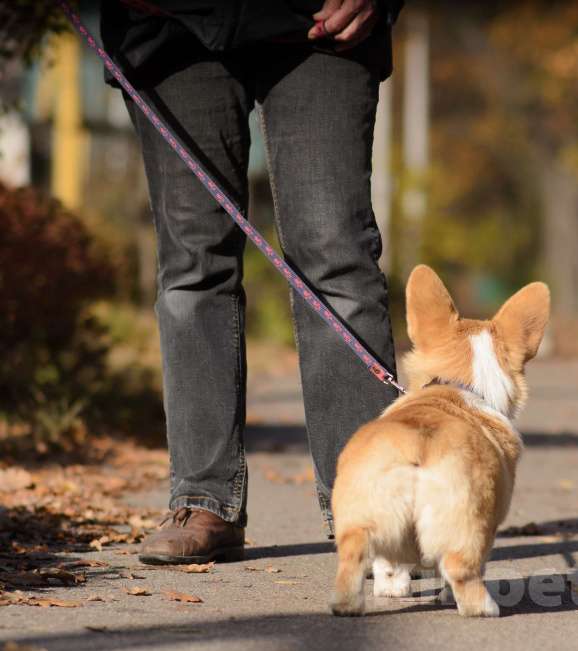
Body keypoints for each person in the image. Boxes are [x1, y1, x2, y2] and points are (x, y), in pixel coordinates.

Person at [100, 0, 403, 564]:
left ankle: (371, 506)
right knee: (192, 264)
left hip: (320, 26)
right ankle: (202, 498)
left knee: (336, 256)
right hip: (170, 31)